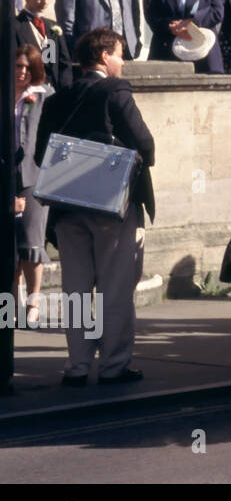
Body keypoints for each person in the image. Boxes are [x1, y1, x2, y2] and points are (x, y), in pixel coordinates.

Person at [35, 29, 155, 386]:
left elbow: (43, 154)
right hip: (111, 204)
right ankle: (114, 365)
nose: (122, 62)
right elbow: (145, 144)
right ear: (104, 56)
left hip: (68, 204)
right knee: (114, 288)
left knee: (75, 288)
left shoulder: (58, 99)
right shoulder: (114, 90)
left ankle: (77, 366)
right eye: (119, 54)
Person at [14, 46, 52, 326]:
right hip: (8, 176)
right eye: (17, 66)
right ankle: (11, 306)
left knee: (31, 243)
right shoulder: (5, 96)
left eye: (27, 67)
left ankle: (33, 302)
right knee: (8, 248)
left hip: (33, 176)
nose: (22, 71)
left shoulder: (43, 97)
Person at [15, 0, 72, 89]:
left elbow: (63, 62)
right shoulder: (15, 25)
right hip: (27, 89)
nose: (45, 1)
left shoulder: (52, 26)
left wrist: (65, 90)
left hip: (53, 91)